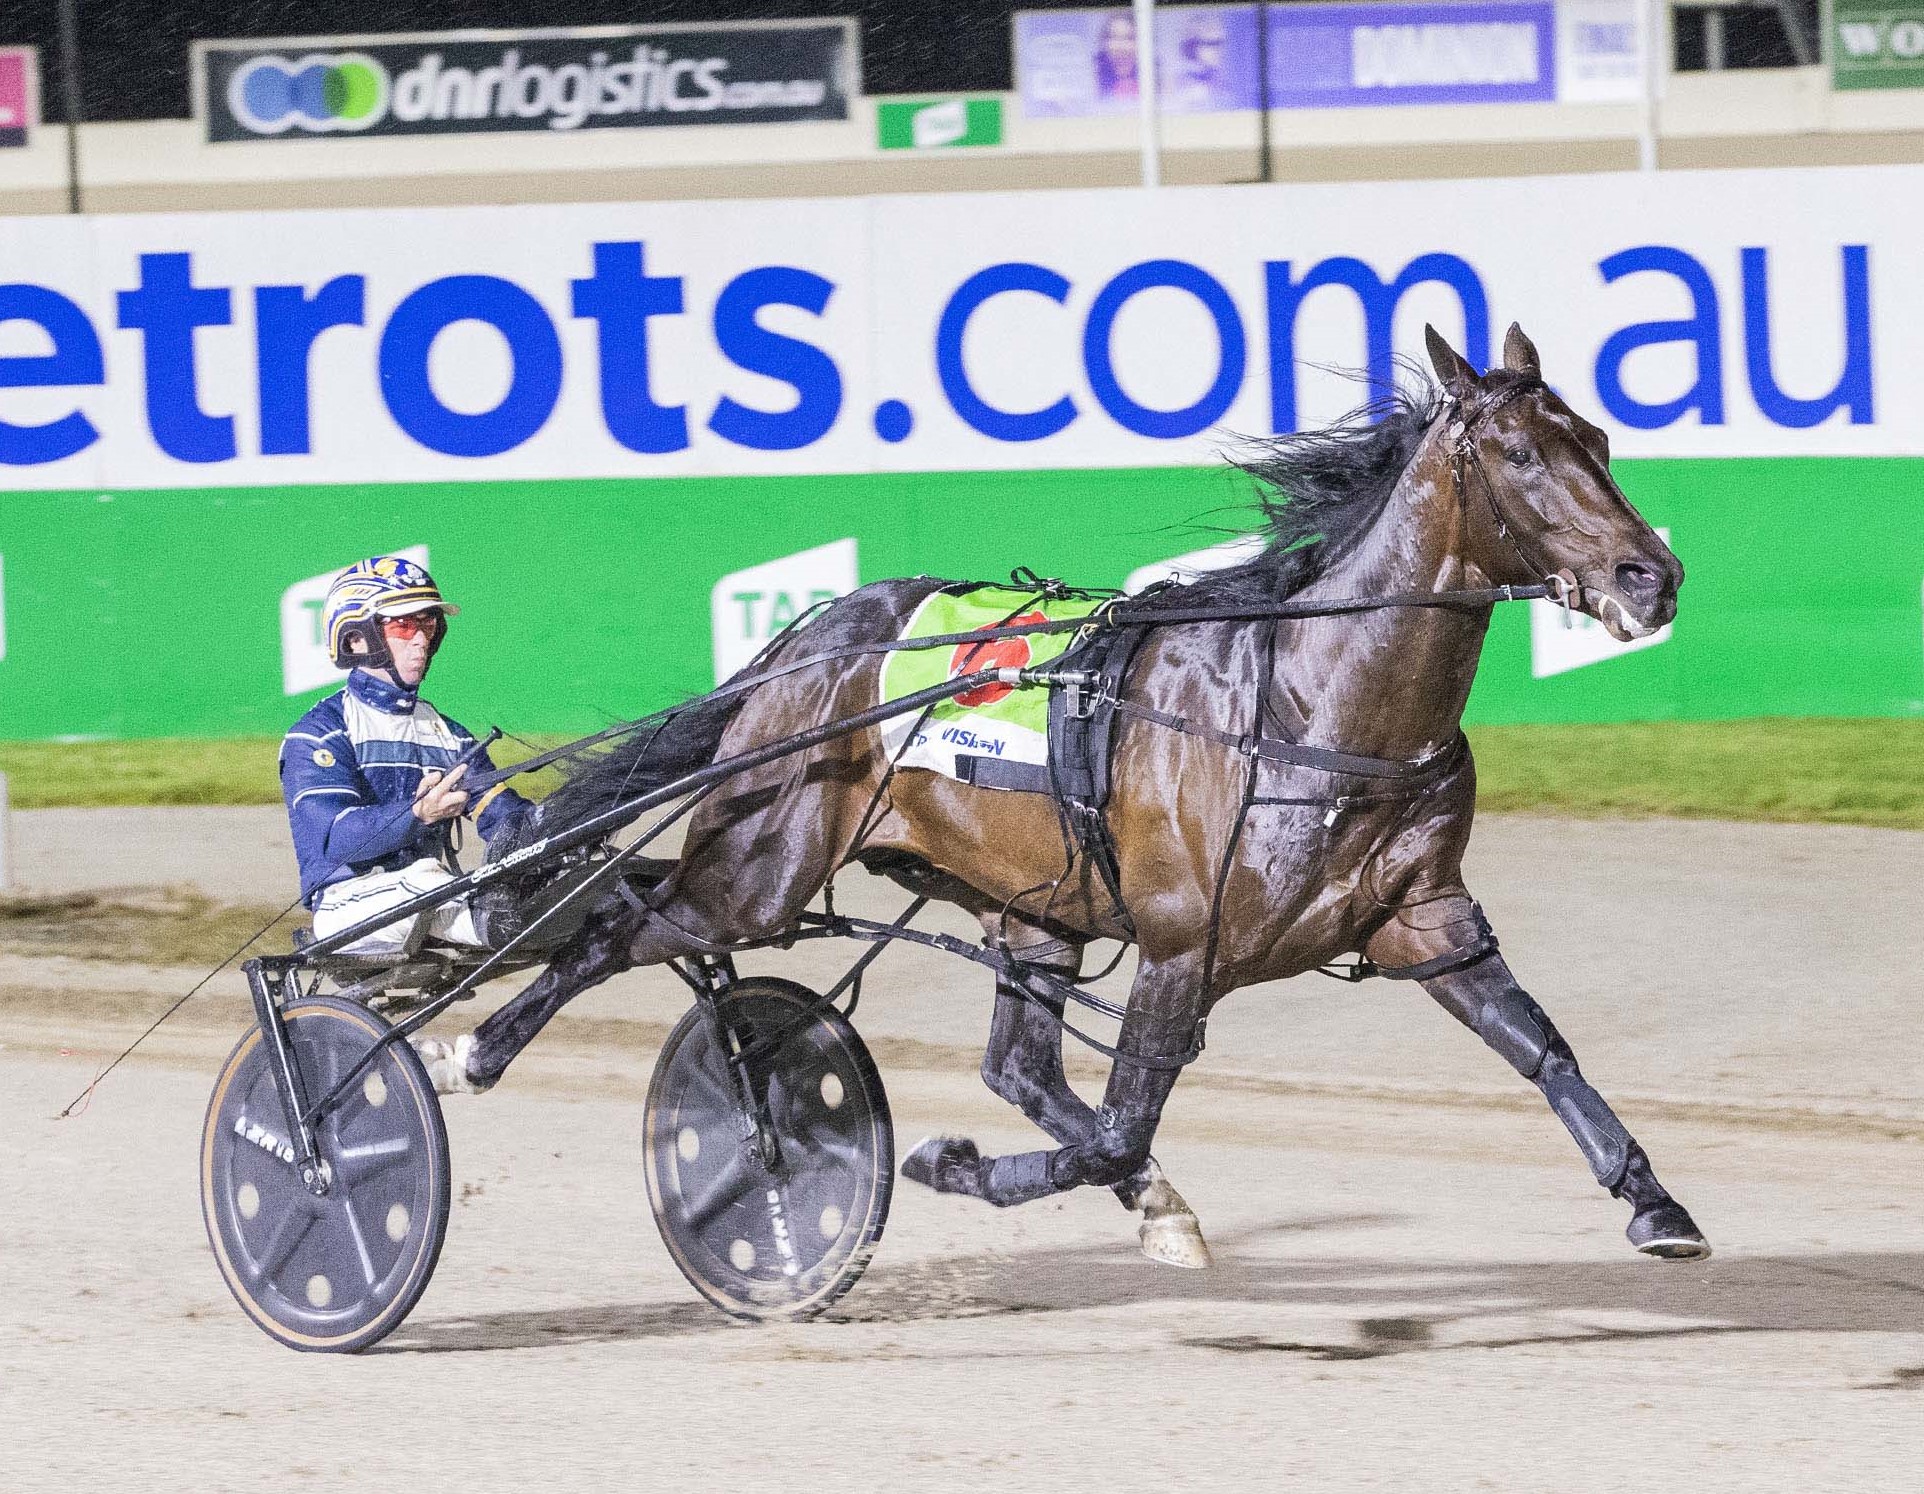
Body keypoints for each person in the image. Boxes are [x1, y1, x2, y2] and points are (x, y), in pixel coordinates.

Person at [280, 555, 531, 1094]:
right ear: (357, 638)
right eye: (403, 625)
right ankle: (493, 918)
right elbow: (336, 834)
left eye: (429, 625)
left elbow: (505, 819)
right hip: (350, 911)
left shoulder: (452, 736)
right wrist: (417, 815)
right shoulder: (319, 733)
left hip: (431, 905)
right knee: (431, 880)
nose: (421, 640)